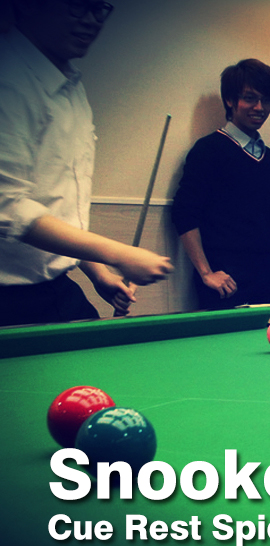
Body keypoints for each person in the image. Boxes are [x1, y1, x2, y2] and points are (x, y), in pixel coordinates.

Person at [0, 0, 173, 327]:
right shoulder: (8, 80)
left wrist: (99, 274)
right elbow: (7, 208)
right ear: (27, 5)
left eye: (99, 8)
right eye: (78, 6)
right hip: (9, 301)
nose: (92, 20)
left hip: (55, 289)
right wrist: (118, 254)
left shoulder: (70, 87)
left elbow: (59, 208)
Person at [171, 59, 270, 310]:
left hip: (267, 283)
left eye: (266, 100)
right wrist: (206, 273)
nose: (259, 107)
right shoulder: (208, 149)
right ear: (230, 100)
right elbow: (183, 213)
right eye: (250, 98)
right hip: (225, 286)